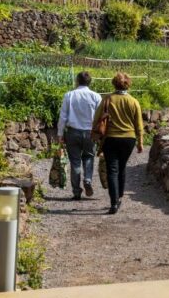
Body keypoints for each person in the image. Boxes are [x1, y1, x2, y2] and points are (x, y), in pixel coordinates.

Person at [93, 72, 144, 214]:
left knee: (112, 169)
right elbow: (138, 124)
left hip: (110, 138)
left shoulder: (107, 99)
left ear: (114, 83)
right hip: (129, 139)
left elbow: (97, 118)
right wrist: (140, 142)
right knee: (122, 167)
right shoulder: (134, 101)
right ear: (128, 84)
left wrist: (95, 135)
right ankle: (120, 196)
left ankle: (114, 202)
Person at [57, 71, 102, 200]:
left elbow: (63, 116)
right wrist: (100, 135)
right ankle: (87, 179)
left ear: (77, 81)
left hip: (72, 132)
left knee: (75, 161)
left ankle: (76, 192)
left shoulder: (69, 95)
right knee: (88, 157)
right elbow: (100, 118)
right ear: (90, 82)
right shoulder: (96, 96)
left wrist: (60, 134)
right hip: (90, 132)